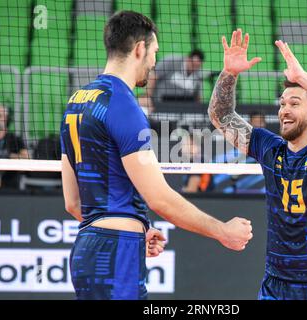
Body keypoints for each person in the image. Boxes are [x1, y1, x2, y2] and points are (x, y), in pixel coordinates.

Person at [60, 11, 252, 300]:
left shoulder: (76, 102)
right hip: (116, 252)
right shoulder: (123, 105)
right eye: (154, 53)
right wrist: (222, 230)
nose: (154, 63)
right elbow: (160, 198)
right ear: (140, 48)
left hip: (86, 251)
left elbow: (73, 203)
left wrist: (138, 228)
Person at [208, 29, 307, 300]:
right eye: (282, 104)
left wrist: (302, 77)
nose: (284, 110)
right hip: (276, 281)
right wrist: (229, 73)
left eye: (294, 103)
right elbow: (220, 115)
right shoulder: (269, 148)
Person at [138, 49, 205, 111]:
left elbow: (198, 96)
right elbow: (153, 77)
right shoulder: (171, 61)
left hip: (184, 109)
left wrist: (199, 110)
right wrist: (148, 96)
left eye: (197, 66)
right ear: (188, 59)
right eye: (193, 65)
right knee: (164, 124)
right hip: (162, 105)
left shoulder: (198, 74)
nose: (195, 68)